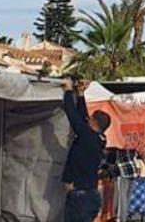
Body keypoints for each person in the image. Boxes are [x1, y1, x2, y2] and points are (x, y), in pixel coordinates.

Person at [61, 78, 110, 222]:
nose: (87, 120)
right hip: (89, 196)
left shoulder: (88, 137)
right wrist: (81, 95)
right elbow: (82, 118)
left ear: (94, 123)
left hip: (80, 198)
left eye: (90, 119)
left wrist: (69, 91)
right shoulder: (98, 138)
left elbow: (73, 116)